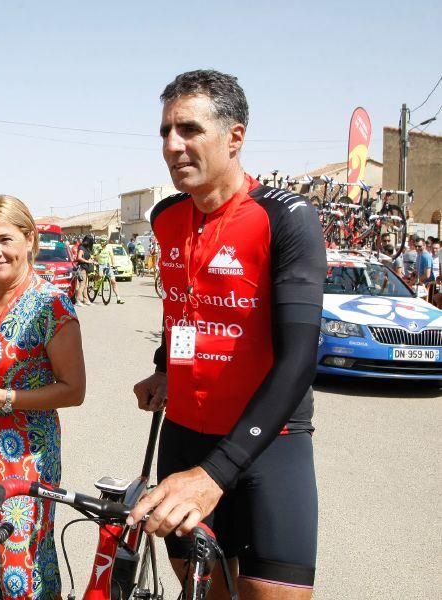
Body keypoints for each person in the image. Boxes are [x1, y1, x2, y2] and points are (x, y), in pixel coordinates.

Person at [128, 70, 325, 599]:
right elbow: (183, 307)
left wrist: (214, 475)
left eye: (189, 129)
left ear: (235, 137)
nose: (172, 145)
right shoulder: (166, 217)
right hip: (185, 435)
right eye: (166, 131)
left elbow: (300, 358)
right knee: (206, 594)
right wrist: (165, 366)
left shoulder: (286, 218)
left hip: (269, 449)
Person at [0, 194, 85, 599]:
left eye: (5, 239)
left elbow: (74, 390)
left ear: (29, 240)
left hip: (24, 456)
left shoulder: (51, 305)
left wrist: (2, 397)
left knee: (19, 565)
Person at [93, 239, 125, 303]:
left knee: (113, 281)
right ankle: (96, 286)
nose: (102, 243)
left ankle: (118, 298)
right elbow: (94, 256)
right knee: (100, 275)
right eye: (101, 242)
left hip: (107, 266)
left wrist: (113, 264)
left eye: (104, 242)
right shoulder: (98, 248)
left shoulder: (109, 248)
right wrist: (95, 259)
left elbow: (112, 256)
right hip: (100, 265)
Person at [74, 235, 95, 305]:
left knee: (85, 285)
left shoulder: (86, 248)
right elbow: (79, 257)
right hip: (82, 268)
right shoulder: (81, 248)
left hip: (86, 268)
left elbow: (86, 257)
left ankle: (86, 300)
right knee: (82, 285)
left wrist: (92, 261)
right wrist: (87, 261)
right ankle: (78, 300)